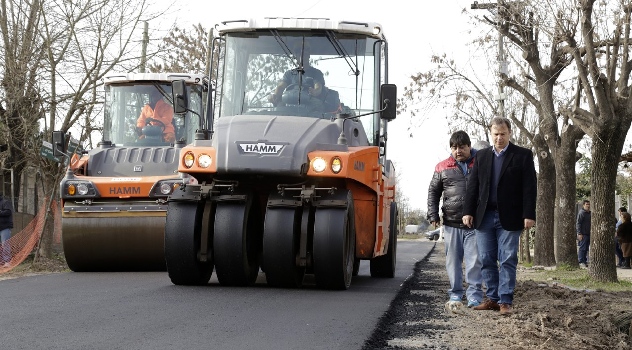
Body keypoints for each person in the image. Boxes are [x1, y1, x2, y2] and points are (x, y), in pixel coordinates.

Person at [462, 116, 537, 316]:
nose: (499, 138)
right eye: (495, 134)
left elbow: (530, 187)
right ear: (491, 134)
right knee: (486, 258)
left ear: (509, 133)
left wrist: (529, 214)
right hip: (484, 216)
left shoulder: (522, 155)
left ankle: (505, 300)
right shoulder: (482, 156)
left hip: (510, 217)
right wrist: (468, 211)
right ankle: (492, 299)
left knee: (507, 259)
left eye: (503, 134)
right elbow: (473, 187)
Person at [427, 130, 483, 308]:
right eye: (454, 148)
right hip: (452, 223)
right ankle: (456, 294)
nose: (458, 151)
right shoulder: (442, 167)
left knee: (474, 260)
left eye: (462, 147)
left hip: (475, 223)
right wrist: (433, 214)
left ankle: (474, 295)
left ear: (469, 146)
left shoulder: (481, 163)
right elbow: (433, 192)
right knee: (453, 261)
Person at [268, 41, 339, 112]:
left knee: (318, 106)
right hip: (291, 105)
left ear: (309, 54)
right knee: (279, 108)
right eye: (298, 50)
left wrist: (314, 92)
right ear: (295, 54)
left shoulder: (316, 73)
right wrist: (275, 95)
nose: (302, 53)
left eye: (305, 50)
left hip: (311, 105)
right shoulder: (289, 74)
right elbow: (280, 87)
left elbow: (318, 87)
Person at [576, 199, 591, 268]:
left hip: (589, 233)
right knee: (582, 248)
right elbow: (578, 223)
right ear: (583, 205)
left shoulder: (590, 213)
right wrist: (579, 233)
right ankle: (581, 261)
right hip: (583, 233)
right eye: (586, 204)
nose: (588, 206)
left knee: (586, 248)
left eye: (589, 204)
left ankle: (584, 261)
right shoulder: (582, 213)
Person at [0, 193, 13, 267]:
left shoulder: (5, 202)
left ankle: (7, 262)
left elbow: (8, 212)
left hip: (5, 227)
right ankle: (1, 262)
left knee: (5, 244)